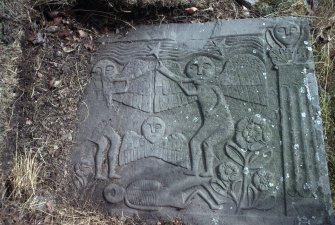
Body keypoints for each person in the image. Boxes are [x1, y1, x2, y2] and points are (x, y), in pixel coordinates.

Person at [157, 55, 234, 177]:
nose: (197, 76)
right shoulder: (198, 91)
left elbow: (221, 102)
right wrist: (177, 81)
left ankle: (208, 171)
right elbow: (187, 91)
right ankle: (196, 170)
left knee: (206, 143)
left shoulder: (213, 87)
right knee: (196, 142)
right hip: (211, 123)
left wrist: (214, 111)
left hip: (223, 123)